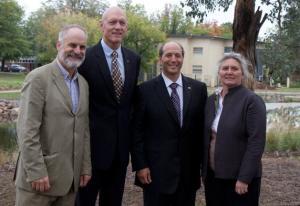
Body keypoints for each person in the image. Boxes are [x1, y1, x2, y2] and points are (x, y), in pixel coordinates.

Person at [14, 24, 91, 206]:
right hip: (39, 183)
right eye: (72, 45)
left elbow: (84, 129)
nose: (77, 51)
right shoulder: (38, 78)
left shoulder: (83, 84)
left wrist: (85, 167)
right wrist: (36, 172)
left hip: (69, 183)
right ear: (59, 45)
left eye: (82, 47)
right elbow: (27, 130)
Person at [76, 6, 141, 206]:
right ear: (101, 25)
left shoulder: (133, 59)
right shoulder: (85, 58)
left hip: (120, 152)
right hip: (90, 151)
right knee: (83, 202)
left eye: (122, 23)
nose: (117, 27)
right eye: (112, 22)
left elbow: (128, 104)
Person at [131, 41, 207, 206]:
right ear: (160, 59)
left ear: (182, 58)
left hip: (188, 173)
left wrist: (203, 168)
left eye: (177, 55)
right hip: (155, 173)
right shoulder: (144, 90)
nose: (173, 59)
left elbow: (201, 131)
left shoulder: (198, 89)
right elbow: (137, 132)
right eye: (168, 55)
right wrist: (140, 165)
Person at [202, 52, 266, 206]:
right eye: (225, 68)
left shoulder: (252, 101)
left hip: (239, 180)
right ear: (219, 73)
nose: (229, 72)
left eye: (234, 69)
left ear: (242, 74)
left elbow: (256, 143)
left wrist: (244, 178)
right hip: (213, 177)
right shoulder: (212, 100)